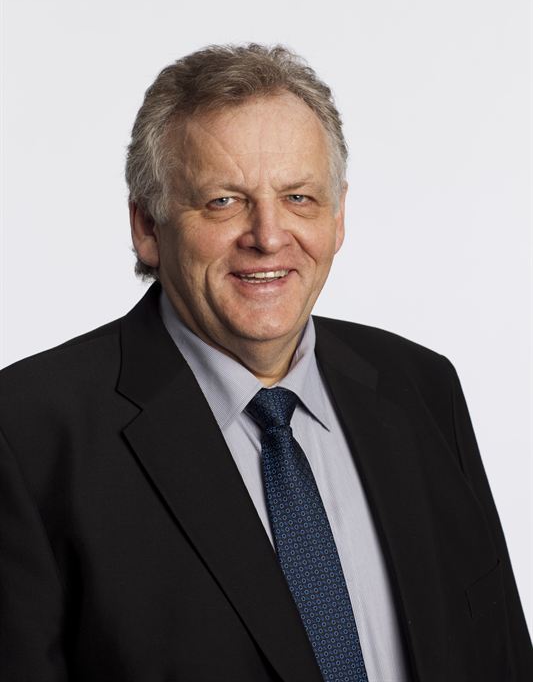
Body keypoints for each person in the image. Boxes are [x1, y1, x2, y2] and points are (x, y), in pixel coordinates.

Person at [0, 44, 530, 682]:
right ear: (147, 226)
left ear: (338, 216)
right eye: (224, 201)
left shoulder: (420, 388)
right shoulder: (27, 434)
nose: (269, 236)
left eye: (299, 197)